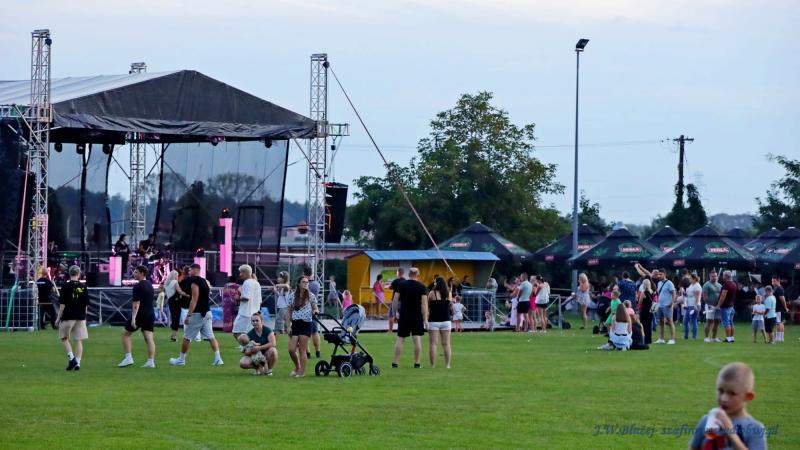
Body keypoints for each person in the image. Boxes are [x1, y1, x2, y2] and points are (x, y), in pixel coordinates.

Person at [688, 362, 766, 450]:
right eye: (720, 391)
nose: (724, 398)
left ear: (748, 396)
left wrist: (730, 432)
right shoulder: (706, 421)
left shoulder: (755, 428)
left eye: (732, 393)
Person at [169, 264, 223, 366]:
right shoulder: (204, 281)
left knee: (187, 337)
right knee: (211, 337)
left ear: (194, 270)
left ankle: (181, 359)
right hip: (207, 312)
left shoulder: (195, 282)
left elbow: (194, 299)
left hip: (197, 313)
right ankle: (218, 358)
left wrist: (188, 315)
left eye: (190, 270)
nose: (189, 272)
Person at [118, 265, 157, 368]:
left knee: (125, 334)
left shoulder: (138, 286)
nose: (134, 274)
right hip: (150, 313)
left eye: (136, 272)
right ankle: (151, 361)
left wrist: (133, 318)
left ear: (142, 273)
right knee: (149, 338)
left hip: (140, 313)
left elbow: (136, 303)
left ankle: (128, 358)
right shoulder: (150, 284)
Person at [391, 267, 428, 369]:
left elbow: (395, 300)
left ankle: (395, 363)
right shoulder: (422, 287)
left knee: (400, 338)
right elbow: (424, 304)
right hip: (417, 316)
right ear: (418, 274)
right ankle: (417, 363)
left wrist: (395, 313)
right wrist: (425, 319)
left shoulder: (401, 285)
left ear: (408, 274)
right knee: (417, 339)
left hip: (404, 315)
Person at [56, 265, 89, 371]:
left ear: (69, 274)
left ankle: (71, 358)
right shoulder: (83, 286)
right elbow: (85, 305)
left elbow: (62, 305)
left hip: (68, 316)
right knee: (78, 340)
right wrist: (85, 317)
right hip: (80, 316)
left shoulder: (65, 286)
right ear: (79, 274)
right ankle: (78, 363)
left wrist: (58, 318)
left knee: (64, 338)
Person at [286, 277, 318, 377]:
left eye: (307, 282)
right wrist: (288, 326)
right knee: (291, 349)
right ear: (299, 284)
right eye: (303, 282)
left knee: (302, 349)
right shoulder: (292, 296)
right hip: (295, 323)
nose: (306, 284)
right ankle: (297, 366)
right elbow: (289, 311)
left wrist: (315, 311)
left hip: (306, 323)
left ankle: (301, 372)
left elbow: (315, 307)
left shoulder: (311, 295)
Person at [427, 276, 452, 368]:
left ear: (436, 283)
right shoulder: (448, 293)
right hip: (446, 320)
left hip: (434, 321)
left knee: (433, 344)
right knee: (446, 344)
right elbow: (450, 305)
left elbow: (428, 305)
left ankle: (433, 365)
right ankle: (447, 365)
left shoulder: (432, 293)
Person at [232, 264, 262, 340]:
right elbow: (260, 301)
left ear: (246, 272)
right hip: (254, 313)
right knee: (250, 333)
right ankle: (250, 345)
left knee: (236, 332)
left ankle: (246, 345)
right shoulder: (257, 283)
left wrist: (238, 298)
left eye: (241, 272)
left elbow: (246, 298)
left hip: (245, 312)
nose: (240, 275)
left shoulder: (246, 282)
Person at [303, 266, 322, 359]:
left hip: (304, 310)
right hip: (314, 309)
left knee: (305, 333)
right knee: (315, 332)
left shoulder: (303, 284)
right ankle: (318, 352)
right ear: (312, 273)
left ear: (304, 274)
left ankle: (308, 353)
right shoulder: (317, 284)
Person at [654, 269, 676, 344]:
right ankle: (661, 338)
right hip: (660, 305)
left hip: (667, 305)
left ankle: (672, 339)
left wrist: (672, 302)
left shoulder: (669, 283)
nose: (659, 276)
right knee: (661, 322)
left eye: (661, 274)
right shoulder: (659, 283)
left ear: (665, 274)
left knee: (670, 321)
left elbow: (673, 293)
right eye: (658, 274)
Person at [718, 270, 738, 343]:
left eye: (723, 275)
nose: (722, 277)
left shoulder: (726, 284)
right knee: (731, 323)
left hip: (725, 306)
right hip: (731, 306)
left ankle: (728, 338)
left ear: (726, 276)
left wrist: (718, 305)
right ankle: (732, 337)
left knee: (727, 323)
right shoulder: (734, 283)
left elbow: (723, 296)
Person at [703, 271, 723, 343]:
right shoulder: (706, 285)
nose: (714, 277)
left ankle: (714, 338)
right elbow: (705, 296)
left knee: (716, 322)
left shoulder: (719, 285)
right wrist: (709, 305)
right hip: (710, 306)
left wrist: (719, 305)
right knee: (709, 321)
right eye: (712, 276)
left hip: (717, 306)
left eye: (715, 276)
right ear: (709, 277)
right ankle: (706, 337)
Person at [162, 270, 181, 342]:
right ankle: (174, 335)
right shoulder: (175, 282)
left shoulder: (166, 284)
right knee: (176, 318)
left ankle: (173, 334)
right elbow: (179, 291)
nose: (177, 277)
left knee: (173, 317)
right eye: (177, 275)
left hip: (170, 301)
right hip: (176, 301)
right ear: (174, 275)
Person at [683, 273, 702, 340]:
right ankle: (686, 336)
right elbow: (687, 294)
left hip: (694, 306)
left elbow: (697, 297)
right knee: (685, 321)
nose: (689, 280)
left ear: (694, 279)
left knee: (693, 321)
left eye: (690, 278)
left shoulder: (697, 286)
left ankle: (694, 336)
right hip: (689, 305)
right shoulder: (691, 285)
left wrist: (695, 305)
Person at [273, 271, 291, 338]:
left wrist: (277, 285)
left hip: (284, 307)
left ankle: (275, 339)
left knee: (278, 323)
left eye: (280, 277)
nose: (278, 278)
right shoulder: (282, 287)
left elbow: (287, 286)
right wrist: (276, 291)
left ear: (284, 278)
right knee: (286, 324)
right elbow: (281, 296)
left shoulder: (286, 286)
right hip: (282, 307)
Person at [388, 268, 406, 333]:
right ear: (403, 273)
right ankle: (400, 330)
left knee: (391, 315)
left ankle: (390, 330)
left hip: (395, 300)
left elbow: (390, 287)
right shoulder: (405, 281)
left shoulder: (395, 281)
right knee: (401, 316)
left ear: (398, 273)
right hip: (403, 301)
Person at [771, 275, 788, 343]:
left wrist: (785, 307)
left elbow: (782, 299)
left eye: (774, 281)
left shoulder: (779, 288)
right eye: (772, 281)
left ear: (778, 281)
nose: (772, 282)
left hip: (779, 308)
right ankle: (781, 338)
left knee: (778, 323)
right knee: (780, 323)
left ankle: (778, 338)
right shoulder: (776, 288)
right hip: (777, 308)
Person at [638, 279, 655, 345]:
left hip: (644, 310)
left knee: (643, 325)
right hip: (650, 310)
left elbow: (640, 302)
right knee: (649, 325)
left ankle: (644, 339)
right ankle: (649, 340)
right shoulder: (651, 292)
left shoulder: (643, 292)